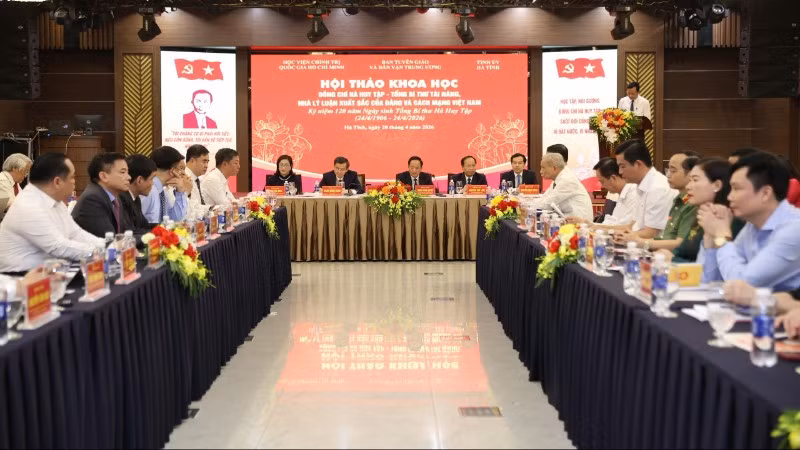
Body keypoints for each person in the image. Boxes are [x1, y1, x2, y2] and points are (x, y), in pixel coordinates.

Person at [699, 152, 800, 291]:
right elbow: (710, 284)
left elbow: (742, 284)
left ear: (765, 193)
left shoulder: (793, 229)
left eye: (736, 188)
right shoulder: (753, 225)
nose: (729, 197)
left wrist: (722, 235)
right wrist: (710, 237)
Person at [0, 153, 104, 272]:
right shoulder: (29, 205)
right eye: (72, 177)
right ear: (57, 182)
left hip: (48, 272)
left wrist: (106, 244)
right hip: (21, 279)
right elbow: (58, 247)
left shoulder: (54, 200)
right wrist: (101, 251)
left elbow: (75, 233)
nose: (74, 182)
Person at [667, 158, 744, 263]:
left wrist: (672, 259)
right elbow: (679, 251)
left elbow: (716, 268)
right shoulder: (703, 213)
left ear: (717, 185)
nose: (688, 186)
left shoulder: (730, 219)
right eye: (689, 181)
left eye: (695, 180)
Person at [626, 152, 699, 251]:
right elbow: (666, 236)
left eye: (673, 171)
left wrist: (641, 242)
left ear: (691, 174)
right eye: (668, 170)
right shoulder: (679, 199)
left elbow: (681, 243)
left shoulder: (693, 203)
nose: (668, 175)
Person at [613, 139, 676, 240]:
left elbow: (651, 233)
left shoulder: (657, 188)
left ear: (638, 164)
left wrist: (622, 236)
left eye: (622, 166)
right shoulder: (640, 185)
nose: (620, 172)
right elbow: (632, 226)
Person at [71, 153, 136, 237]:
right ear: (104, 176)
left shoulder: (116, 198)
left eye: (128, 172)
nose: (129, 177)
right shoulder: (92, 200)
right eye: (123, 172)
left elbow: (126, 232)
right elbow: (108, 239)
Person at [567, 157, 639, 227]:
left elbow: (623, 229)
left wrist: (589, 224)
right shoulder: (622, 194)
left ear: (613, 178)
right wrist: (585, 223)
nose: (602, 187)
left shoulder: (633, 194)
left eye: (602, 182)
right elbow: (612, 223)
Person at [532, 153, 593, 221]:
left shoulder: (567, 180)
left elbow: (548, 204)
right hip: (567, 219)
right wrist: (528, 203)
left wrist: (527, 205)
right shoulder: (557, 179)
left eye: (543, 168)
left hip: (580, 224)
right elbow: (545, 197)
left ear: (554, 168)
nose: (540, 171)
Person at [140, 146, 191, 223]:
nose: (183, 173)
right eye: (179, 169)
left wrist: (180, 192)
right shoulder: (148, 190)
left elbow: (175, 219)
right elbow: (135, 223)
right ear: (172, 171)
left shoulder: (162, 192)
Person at [121, 154, 158, 230]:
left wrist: (168, 227)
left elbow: (144, 226)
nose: (153, 183)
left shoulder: (136, 198)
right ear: (139, 180)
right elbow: (129, 233)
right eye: (151, 179)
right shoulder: (122, 200)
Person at [185, 144, 212, 219]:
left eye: (207, 162)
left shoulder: (196, 179)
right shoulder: (185, 178)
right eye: (204, 162)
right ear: (192, 161)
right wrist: (211, 210)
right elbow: (192, 208)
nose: (206, 166)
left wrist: (211, 208)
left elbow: (197, 205)